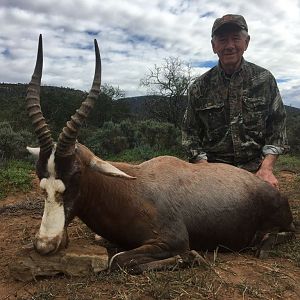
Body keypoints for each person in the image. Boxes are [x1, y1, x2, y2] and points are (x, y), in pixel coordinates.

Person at [182, 14, 289, 189]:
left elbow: (277, 127)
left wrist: (267, 168)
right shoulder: (199, 87)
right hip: (214, 172)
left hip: (256, 171)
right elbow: (189, 134)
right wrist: (203, 168)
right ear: (213, 46)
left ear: (246, 43)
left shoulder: (265, 79)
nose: (230, 46)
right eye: (222, 40)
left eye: (236, 39)